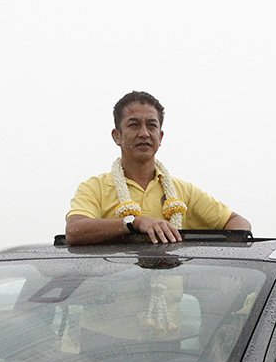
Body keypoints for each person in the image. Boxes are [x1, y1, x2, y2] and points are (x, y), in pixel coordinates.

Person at [66, 91, 251, 246]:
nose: (144, 133)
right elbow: (74, 231)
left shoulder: (182, 191)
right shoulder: (94, 188)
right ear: (117, 136)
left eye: (151, 125)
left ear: (160, 136)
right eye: (134, 125)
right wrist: (134, 223)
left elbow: (238, 223)